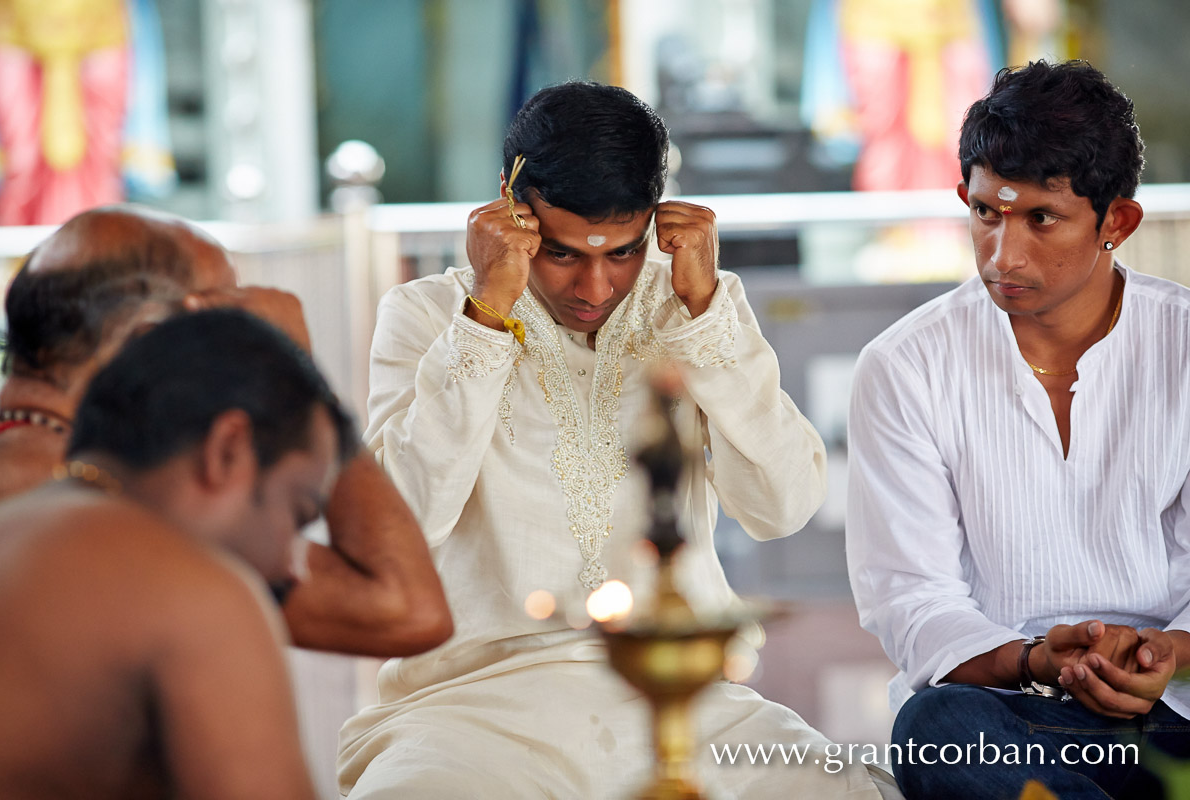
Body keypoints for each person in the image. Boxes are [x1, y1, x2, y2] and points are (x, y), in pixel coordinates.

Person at [340, 81, 897, 798]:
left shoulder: (688, 305)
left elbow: (782, 506)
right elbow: (406, 527)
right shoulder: (428, 316)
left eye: (624, 253)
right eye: (565, 253)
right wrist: (486, 316)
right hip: (477, 708)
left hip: (686, 692)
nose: (597, 287)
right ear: (510, 212)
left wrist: (702, 319)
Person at [846, 60, 1190, 798]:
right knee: (936, 729)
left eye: (1041, 218)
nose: (1004, 256)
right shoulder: (905, 366)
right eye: (986, 214)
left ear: (1117, 223)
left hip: (1178, 706)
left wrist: (1170, 652)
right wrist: (1037, 660)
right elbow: (912, 600)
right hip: (1013, 713)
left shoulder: (1186, 344)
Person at [0, 204, 452, 658]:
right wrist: (296, 370)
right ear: (148, 340)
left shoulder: (58, 466)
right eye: (227, 327)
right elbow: (406, 609)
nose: (238, 355)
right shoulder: (124, 499)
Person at [0, 309, 355, 799]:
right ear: (227, 449)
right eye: (298, 511)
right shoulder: (196, 594)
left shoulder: (10, 527)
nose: (293, 567)